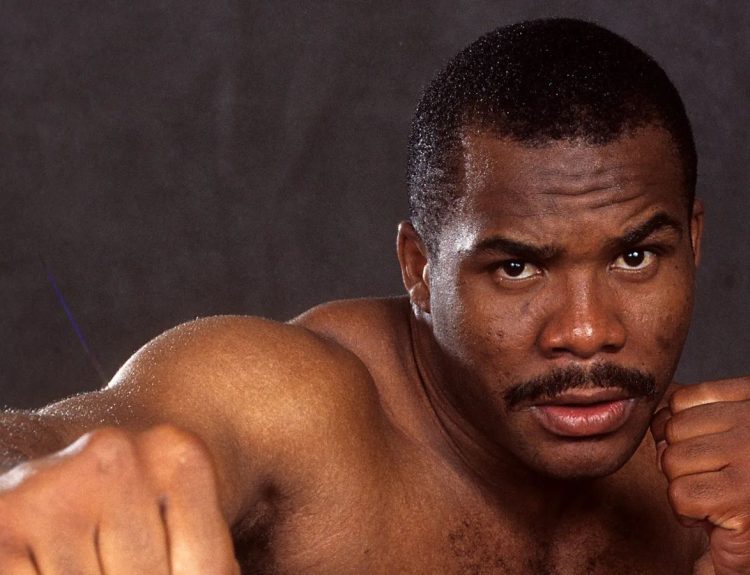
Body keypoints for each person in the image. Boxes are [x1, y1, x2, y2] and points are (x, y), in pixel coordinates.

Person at [1, 17, 749, 574]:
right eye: (517, 268)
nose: (586, 332)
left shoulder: (713, 491)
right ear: (419, 269)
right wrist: (23, 482)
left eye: (634, 257)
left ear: (692, 242)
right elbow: (51, 442)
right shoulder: (299, 408)